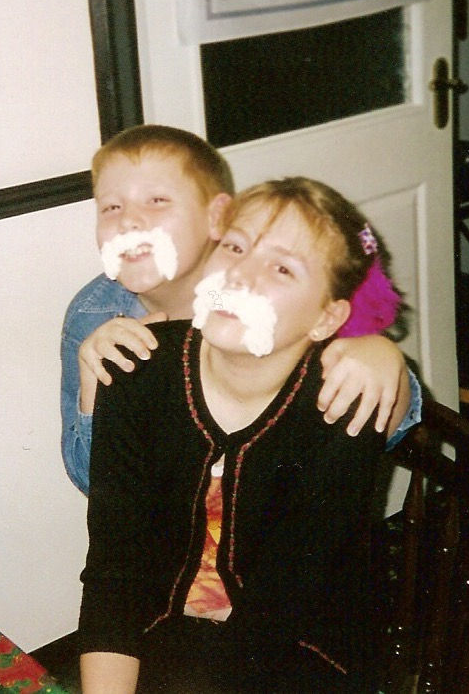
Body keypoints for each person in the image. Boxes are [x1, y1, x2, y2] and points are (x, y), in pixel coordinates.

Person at [79, 177, 405, 692]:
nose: (240, 274)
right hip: (159, 630)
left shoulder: (343, 401)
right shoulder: (133, 368)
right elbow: (113, 574)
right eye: (234, 247)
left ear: (327, 318)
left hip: (297, 648)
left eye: (281, 268)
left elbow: (285, 605)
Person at [60, 125, 417, 495]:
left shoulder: (264, 306)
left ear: (217, 217)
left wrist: (382, 355)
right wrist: (93, 391)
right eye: (111, 207)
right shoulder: (93, 315)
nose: (129, 220)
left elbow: (386, 430)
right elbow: (92, 482)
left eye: (157, 201)